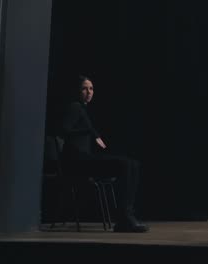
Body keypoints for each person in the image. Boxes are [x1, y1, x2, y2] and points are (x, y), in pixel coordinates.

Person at [56, 75, 148, 232]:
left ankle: (127, 214)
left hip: (84, 159)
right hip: (76, 162)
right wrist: (91, 132)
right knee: (125, 164)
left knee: (134, 164)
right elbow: (63, 130)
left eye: (91, 88)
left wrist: (92, 133)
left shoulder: (82, 109)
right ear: (77, 91)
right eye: (84, 88)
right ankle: (124, 218)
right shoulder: (75, 107)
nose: (89, 92)